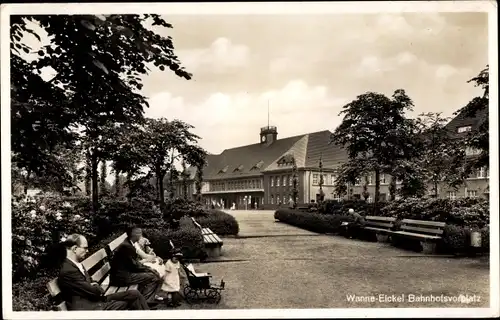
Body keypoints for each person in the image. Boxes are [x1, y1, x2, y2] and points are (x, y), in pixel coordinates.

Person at [57, 234, 150, 310]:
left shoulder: (76, 264)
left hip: (96, 300)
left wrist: (94, 285)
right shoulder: (68, 270)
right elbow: (94, 290)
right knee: (130, 302)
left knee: (134, 294)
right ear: (74, 249)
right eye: (85, 248)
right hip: (90, 309)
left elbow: (92, 283)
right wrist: (94, 286)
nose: (87, 250)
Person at [109, 226, 163, 303]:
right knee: (153, 277)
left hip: (121, 274)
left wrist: (147, 269)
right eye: (139, 233)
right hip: (121, 278)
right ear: (134, 235)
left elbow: (134, 264)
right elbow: (135, 266)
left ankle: (143, 299)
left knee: (151, 274)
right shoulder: (127, 247)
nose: (141, 235)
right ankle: (146, 302)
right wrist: (149, 269)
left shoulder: (128, 243)